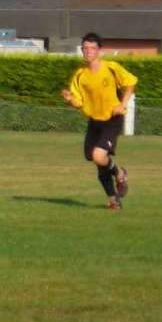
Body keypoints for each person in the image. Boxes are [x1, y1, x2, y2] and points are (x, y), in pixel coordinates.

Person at [61, 32, 136, 210]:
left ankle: (119, 173)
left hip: (112, 119)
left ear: (99, 51)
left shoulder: (111, 68)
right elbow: (79, 103)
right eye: (85, 48)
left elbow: (131, 82)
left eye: (92, 48)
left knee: (98, 156)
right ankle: (113, 200)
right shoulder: (80, 75)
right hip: (94, 122)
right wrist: (70, 99)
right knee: (95, 159)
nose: (88, 51)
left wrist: (122, 105)